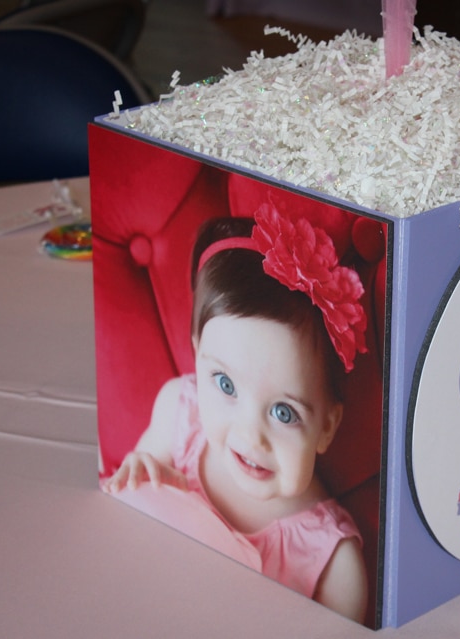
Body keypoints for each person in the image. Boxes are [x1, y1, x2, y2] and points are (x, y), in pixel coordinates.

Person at [104, 202, 369, 622]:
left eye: (284, 412)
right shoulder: (179, 416)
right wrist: (141, 473)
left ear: (327, 425)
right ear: (196, 354)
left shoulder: (334, 565)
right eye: (225, 385)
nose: (250, 435)